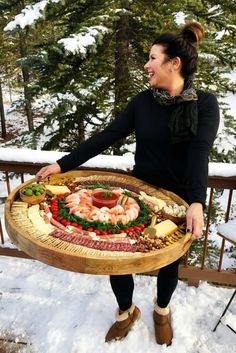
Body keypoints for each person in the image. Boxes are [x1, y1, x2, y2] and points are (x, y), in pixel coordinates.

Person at [36, 21, 220, 346]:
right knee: (117, 258)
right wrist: (62, 164)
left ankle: (161, 310)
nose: (146, 65)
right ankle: (126, 311)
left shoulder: (203, 105)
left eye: (152, 58)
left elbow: (199, 153)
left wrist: (195, 202)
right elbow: (107, 136)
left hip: (177, 201)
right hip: (138, 196)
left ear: (173, 63)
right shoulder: (143, 103)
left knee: (170, 264)